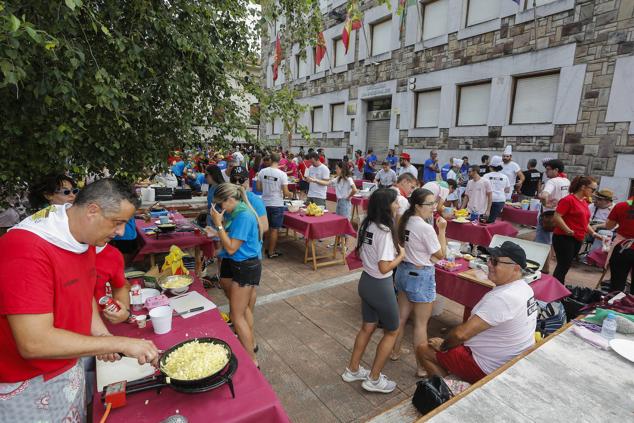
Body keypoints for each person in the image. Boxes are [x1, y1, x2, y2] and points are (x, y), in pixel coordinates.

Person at [0, 179, 159, 421]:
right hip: (27, 383)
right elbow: (34, 342)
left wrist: (103, 336)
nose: (119, 232)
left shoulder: (82, 238)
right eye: (117, 223)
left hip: (67, 367)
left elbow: (84, 296)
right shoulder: (27, 250)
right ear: (92, 210)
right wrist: (117, 343)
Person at [417, 241, 538, 384]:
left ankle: (448, 392)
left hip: (488, 368)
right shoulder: (524, 288)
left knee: (424, 349)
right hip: (509, 360)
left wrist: (443, 346)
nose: (489, 265)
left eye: (495, 262)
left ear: (516, 269)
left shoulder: (504, 297)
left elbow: (460, 334)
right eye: (490, 259)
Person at [341, 189, 406, 393]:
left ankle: (352, 370)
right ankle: (374, 379)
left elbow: (361, 252)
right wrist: (401, 256)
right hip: (380, 285)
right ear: (387, 206)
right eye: (395, 202)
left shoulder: (367, 223)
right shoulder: (385, 232)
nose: (398, 205)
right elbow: (385, 267)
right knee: (392, 331)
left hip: (366, 282)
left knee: (367, 327)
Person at [391, 188, 447, 377]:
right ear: (417, 206)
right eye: (429, 204)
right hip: (420, 276)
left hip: (403, 271)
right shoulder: (424, 227)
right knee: (421, 325)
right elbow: (440, 255)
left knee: (401, 317)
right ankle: (421, 366)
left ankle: (394, 351)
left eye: (434, 203)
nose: (434, 207)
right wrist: (442, 230)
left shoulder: (404, 221)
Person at [210, 183, 264, 367]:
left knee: (236, 314)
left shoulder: (244, 216)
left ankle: (252, 361)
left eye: (221, 204)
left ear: (231, 199)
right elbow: (230, 243)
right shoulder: (236, 212)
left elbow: (232, 247)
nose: (219, 208)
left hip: (245, 266)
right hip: (235, 263)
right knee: (241, 308)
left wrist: (218, 225)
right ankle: (252, 343)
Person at [552, 176, 604, 284]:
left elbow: (585, 222)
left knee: (566, 265)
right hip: (564, 237)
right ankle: (556, 288)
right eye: (592, 189)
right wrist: (567, 230)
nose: (594, 192)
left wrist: (593, 233)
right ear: (583, 187)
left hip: (577, 238)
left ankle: (557, 287)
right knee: (563, 265)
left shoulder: (584, 202)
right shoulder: (568, 200)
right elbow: (557, 216)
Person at [535, 159, 570, 273]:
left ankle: (544, 269)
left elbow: (544, 195)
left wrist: (545, 202)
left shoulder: (552, 182)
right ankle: (546, 268)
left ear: (556, 170)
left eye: (548, 169)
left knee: (543, 244)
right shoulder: (566, 181)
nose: (546, 172)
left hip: (548, 215)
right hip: (560, 216)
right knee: (550, 242)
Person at [257, 153, 291, 259]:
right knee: (274, 229)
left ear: (270, 160)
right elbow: (286, 192)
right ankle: (271, 252)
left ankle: (265, 248)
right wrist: (290, 194)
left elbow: (258, 188)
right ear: (279, 161)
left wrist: (267, 189)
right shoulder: (282, 174)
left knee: (266, 228)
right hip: (276, 204)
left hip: (264, 203)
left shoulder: (262, 172)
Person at [604, 197, 634, 293]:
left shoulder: (622, 205)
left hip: (623, 247)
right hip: (624, 247)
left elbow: (609, 226)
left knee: (616, 286)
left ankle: (614, 306)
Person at [331, 162, 358, 248]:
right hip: (339, 201)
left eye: (337, 168)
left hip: (345, 202)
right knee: (338, 223)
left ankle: (345, 245)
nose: (336, 170)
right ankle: (337, 242)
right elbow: (328, 182)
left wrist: (348, 197)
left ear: (342, 169)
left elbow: (355, 190)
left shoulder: (348, 179)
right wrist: (315, 180)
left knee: (345, 223)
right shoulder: (338, 178)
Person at [483, 156, 510, 223]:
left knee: (483, 220)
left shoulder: (486, 176)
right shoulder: (505, 177)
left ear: (491, 166)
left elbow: (482, 188)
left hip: (487, 200)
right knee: (492, 220)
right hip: (500, 200)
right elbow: (507, 190)